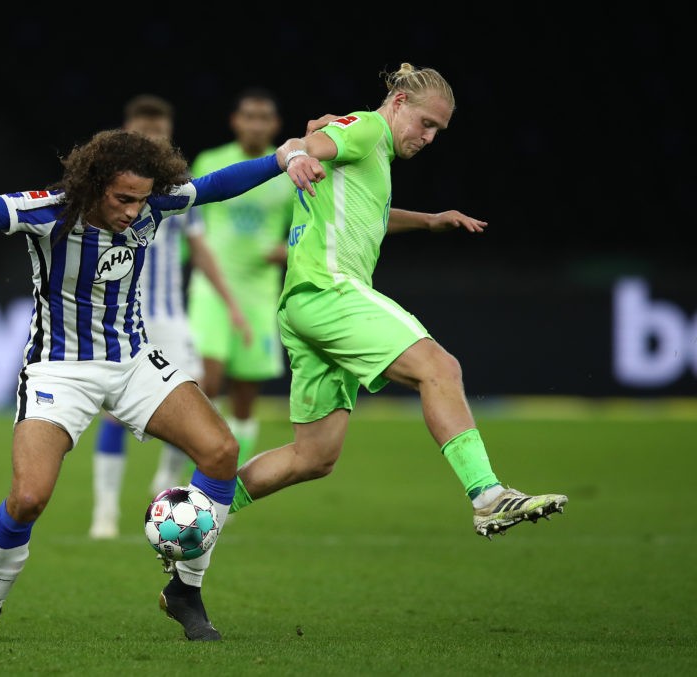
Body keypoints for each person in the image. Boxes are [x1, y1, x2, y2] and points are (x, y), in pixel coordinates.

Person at [0, 85, 323, 642]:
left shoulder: (152, 203)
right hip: (59, 369)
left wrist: (281, 155)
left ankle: (185, 592)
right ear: (94, 186)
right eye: (122, 199)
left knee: (221, 452)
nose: (133, 211)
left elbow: (215, 186)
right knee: (29, 497)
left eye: (141, 200)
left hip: (132, 360)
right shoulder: (48, 213)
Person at [228, 63, 568, 541]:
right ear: (400, 103)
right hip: (331, 290)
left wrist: (430, 221)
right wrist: (299, 153)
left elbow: (368, 214)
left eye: (439, 131)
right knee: (440, 368)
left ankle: (196, 507)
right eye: (427, 123)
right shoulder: (365, 128)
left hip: (304, 305)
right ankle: (488, 496)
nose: (430, 137)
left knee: (312, 458)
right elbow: (306, 147)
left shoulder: (374, 154)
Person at [89, 94, 251, 539]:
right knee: (114, 416)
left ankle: (166, 480)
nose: (152, 141)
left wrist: (232, 305)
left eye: (159, 134)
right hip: (122, 318)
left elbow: (200, 251)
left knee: (195, 401)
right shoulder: (108, 193)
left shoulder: (180, 191)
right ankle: (104, 513)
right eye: (143, 134)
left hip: (170, 316)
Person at [187, 87, 296, 469]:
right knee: (207, 380)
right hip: (211, 289)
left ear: (275, 125)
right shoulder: (212, 160)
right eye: (248, 116)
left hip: (259, 293)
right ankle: (193, 471)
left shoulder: (289, 172)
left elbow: (308, 226)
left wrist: (289, 248)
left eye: (263, 118)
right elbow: (190, 218)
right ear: (236, 121)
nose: (255, 124)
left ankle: (228, 479)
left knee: (245, 397)